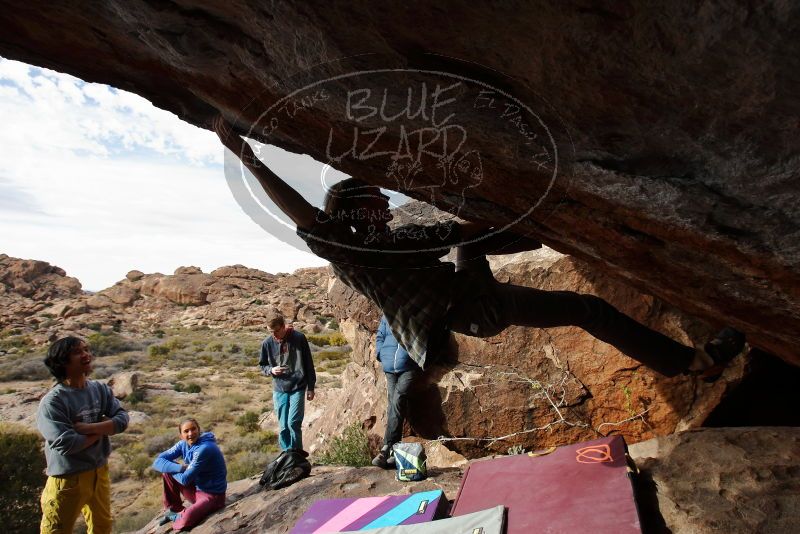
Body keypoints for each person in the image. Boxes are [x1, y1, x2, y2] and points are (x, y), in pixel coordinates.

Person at [214, 117, 745, 380]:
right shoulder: (357, 254)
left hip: (462, 291)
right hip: (473, 307)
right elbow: (305, 216)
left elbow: (461, 231)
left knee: (479, 236)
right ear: (357, 212)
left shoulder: (397, 239)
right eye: (376, 196)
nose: (385, 198)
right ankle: (692, 363)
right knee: (588, 309)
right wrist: (250, 159)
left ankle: (550, 235)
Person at [37, 336, 130, 534]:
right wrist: (105, 428)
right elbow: (68, 443)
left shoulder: (100, 389)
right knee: (56, 530)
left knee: (102, 528)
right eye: (78, 352)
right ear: (62, 361)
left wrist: (89, 428)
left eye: (86, 349)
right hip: (68, 479)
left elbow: (122, 420)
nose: (86, 355)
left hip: (99, 470)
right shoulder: (53, 401)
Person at [152, 418, 227, 530]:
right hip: (196, 490)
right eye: (186, 431)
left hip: (212, 496)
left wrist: (170, 469)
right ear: (181, 435)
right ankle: (174, 510)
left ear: (199, 430)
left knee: (187, 519)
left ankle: (177, 516)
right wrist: (180, 467)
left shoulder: (205, 448)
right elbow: (157, 462)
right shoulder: (182, 444)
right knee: (167, 472)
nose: (191, 433)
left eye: (193, 429)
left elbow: (185, 480)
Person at [259, 315, 316, 451]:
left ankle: (297, 456)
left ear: (283, 326)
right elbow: (262, 365)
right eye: (270, 331)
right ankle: (287, 456)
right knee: (283, 426)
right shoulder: (267, 343)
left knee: (293, 423)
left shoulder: (299, 338)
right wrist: (271, 370)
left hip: (298, 386)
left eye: (276, 331)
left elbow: (309, 363)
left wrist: (311, 387)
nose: (274, 335)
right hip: (279, 389)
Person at [372, 315, 420, 468]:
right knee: (393, 405)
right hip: (389, 367)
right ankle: (393, 451)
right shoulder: (387, 313)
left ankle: (386, 448)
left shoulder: (415, 312)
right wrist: (380, 353)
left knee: (397, 400)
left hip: (409, 366)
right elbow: (380, 336)